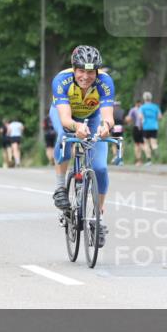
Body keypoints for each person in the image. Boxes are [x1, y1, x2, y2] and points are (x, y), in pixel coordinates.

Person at [49, 45, 116, 247]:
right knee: (64, 137)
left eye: (90, 72)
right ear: (73, 69)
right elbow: (65, 118)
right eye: (81, 71)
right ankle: (61, 186)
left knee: (101, 168)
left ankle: (97, 218)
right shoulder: (61, 80)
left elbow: (108, 117)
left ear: (97, 72)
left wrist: (106, 127)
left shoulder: (105, 83)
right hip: (66, 115)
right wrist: (76, 126)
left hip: (93, 117)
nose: (85, 76)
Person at [140, 92, 162, 164]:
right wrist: (154, 119)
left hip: (146, 127)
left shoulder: (142, 107)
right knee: (154, 143)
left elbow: (140, 117)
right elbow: (159, 117)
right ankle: (156, 150)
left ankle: (149, 160)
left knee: (146, 144)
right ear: (151, 98)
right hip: (154, 126)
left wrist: (143, 120)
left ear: (144, 99)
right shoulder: (155, 107)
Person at [126, 101, 145, 166]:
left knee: (137, 145)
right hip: (144, 128)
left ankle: (138, 160)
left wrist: (128, 122)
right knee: (142, 144)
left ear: (136, 103)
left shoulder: (133, 109)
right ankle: (146, 157)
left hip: (136, 128)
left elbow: (128, 119)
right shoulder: (144, 108)